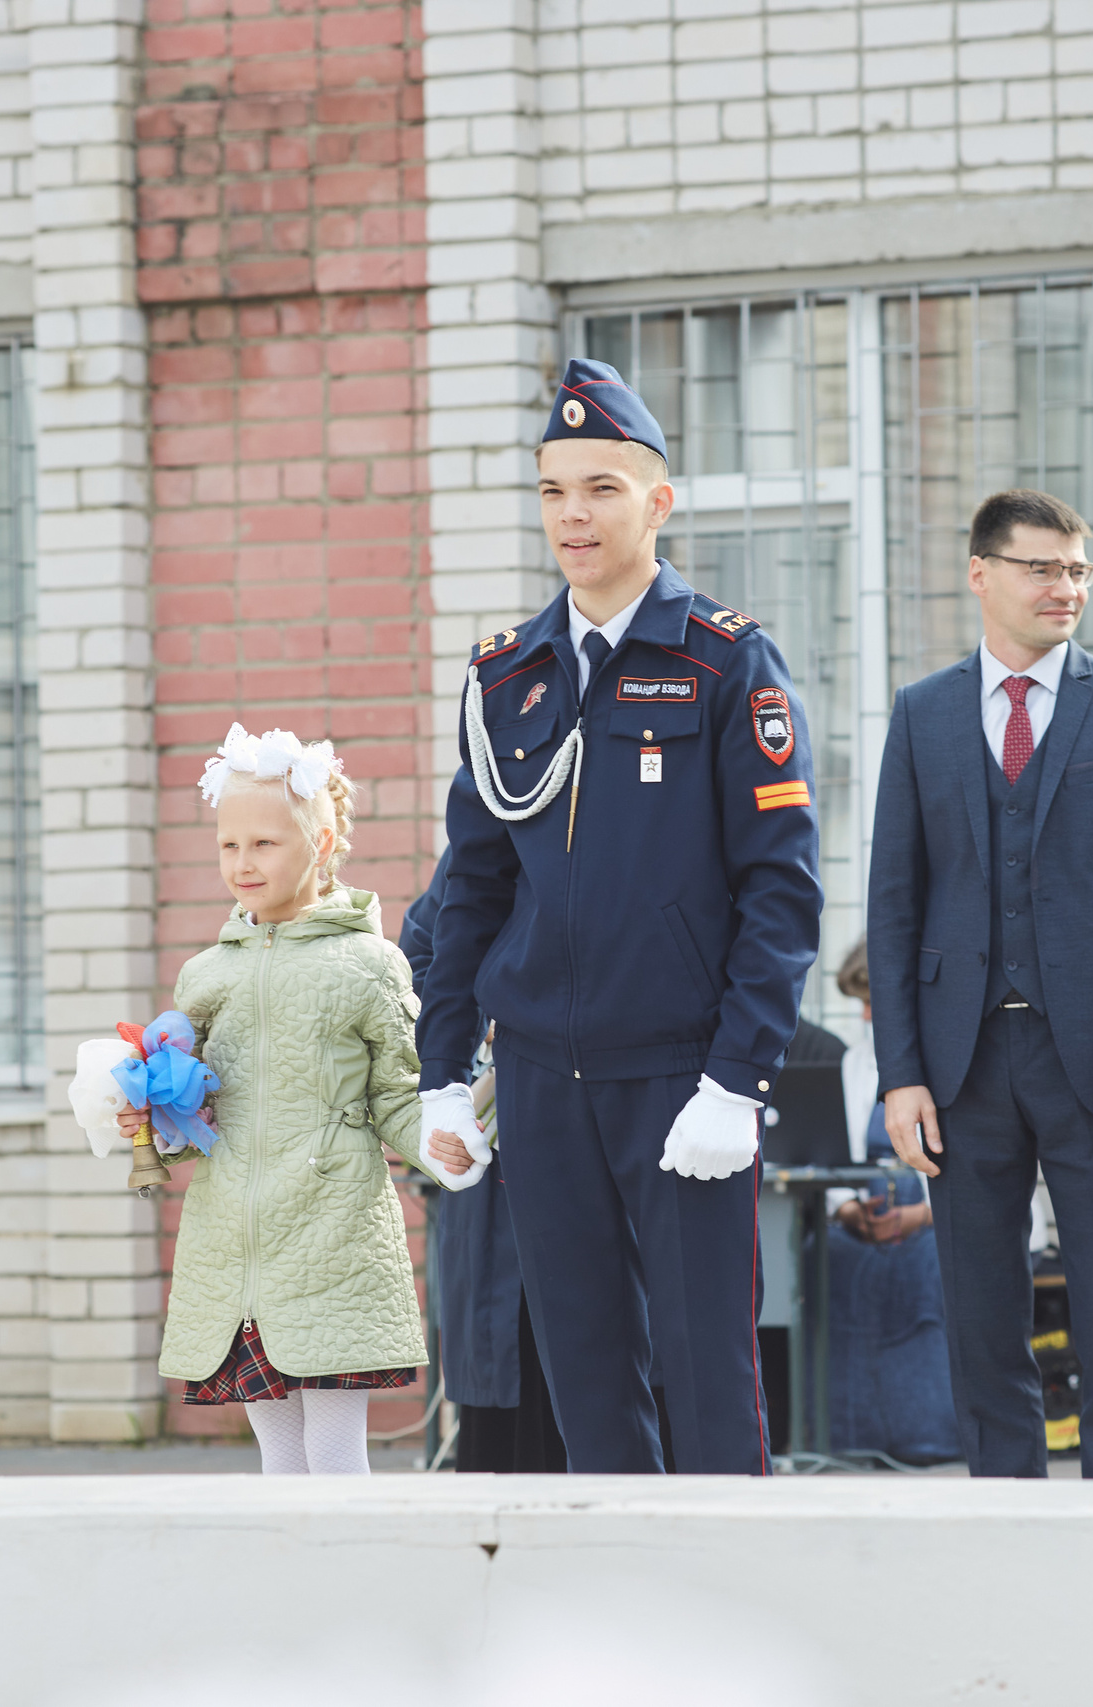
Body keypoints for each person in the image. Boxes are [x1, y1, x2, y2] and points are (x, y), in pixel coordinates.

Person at [414, 359, 824, 1476]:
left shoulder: (727, 662)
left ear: (657, 501)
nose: (572, 516)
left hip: (681, 1077)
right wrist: (442, 1073)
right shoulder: (507, 677)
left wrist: (738, 1078)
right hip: (544, 1080)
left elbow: (780, 891)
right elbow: (472, 887)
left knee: (706, 1377)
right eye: (552, 492)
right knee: (583, 1374)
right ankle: (622, 1620)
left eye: (599, 488)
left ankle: (728, 1611)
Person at [866, 488, 1093, 1479]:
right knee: (977, 1306)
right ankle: (1003, 1504)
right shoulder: (923, 715)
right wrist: (901, 1074)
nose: (1065, 587)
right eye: (1041, 567)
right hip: (962, 1064)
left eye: (1078, 570)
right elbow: (893, 902)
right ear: (981, 574)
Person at [122, 724, 481, 1476]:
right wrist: (153, 1119)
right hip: (237, 1245)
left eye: (264, 844)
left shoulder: (370, 965)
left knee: (333, 1445)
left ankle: (354, 1577)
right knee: (278, 1452)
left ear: (320, 844)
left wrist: (439, 1141)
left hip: (332, 1236)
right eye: (229, 845)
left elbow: (398, 1094)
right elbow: (199, 1119)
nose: (243, 863)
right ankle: (293, 1581)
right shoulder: (205, 976)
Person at [400, 843, 567, 1474]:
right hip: (499, 1163)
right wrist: (475, 1031)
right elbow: (416, 967)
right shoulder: (497, 827)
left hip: (602, 1127)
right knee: (510, 1387)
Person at [823, 942, 960, 1466]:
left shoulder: (950, 1054)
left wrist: (922, 1213)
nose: (862, 1016)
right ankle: (849, 1434)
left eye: (870, 1002)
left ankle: (931, 1435)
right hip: (867, 1218)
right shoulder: (854, 1063)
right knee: (828, 1261)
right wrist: (847, 1211)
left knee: (928, 1269)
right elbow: (836, 1152)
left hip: (933, 1217)